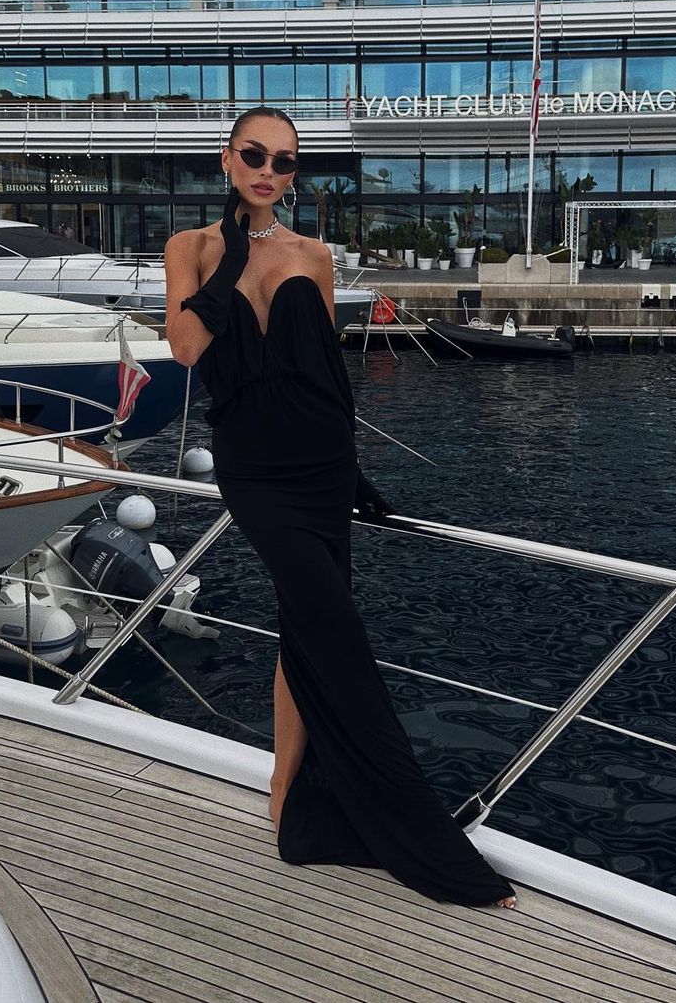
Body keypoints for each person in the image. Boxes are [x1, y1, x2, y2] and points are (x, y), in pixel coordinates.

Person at [164, 105, 517, 910]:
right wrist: (237, 249)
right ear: (227, 160)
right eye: (255, 155)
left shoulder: (314, 256)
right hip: (254, 471)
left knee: (307, 627)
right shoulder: (191, 248)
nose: (269, 172)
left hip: (321, 465)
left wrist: (354, 470)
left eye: (285, 162)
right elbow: (186, 348)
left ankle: (288, 798)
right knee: (337, 632)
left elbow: (325, 369)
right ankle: (418, 835)